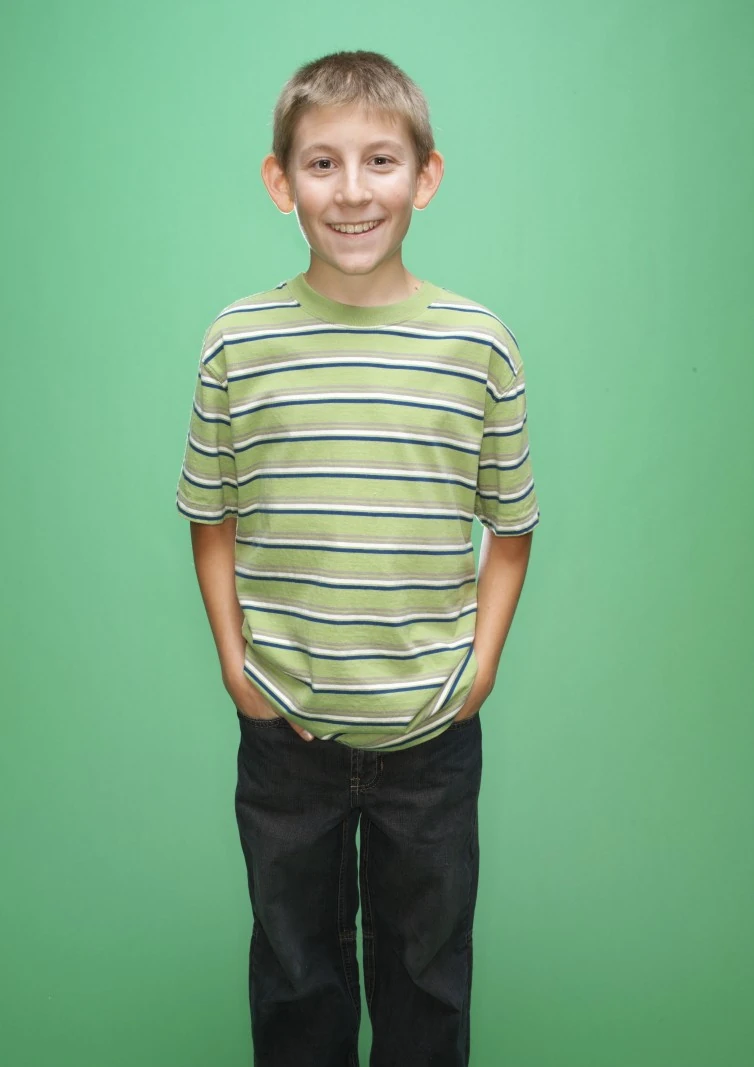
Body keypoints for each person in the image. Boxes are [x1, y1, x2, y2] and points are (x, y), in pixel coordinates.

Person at [176, 49, 540, 1067]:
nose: (351, 191)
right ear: (279, 180)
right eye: (321, 162)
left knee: (427, 978)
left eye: (380, 160)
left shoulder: (478, 345)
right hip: (286, 730)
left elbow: (511, 527)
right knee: (296, 977)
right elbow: (210, 513)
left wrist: (480, 666)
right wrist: (234, 663)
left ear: (425, 176)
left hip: (430, 736)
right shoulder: (238, 341)